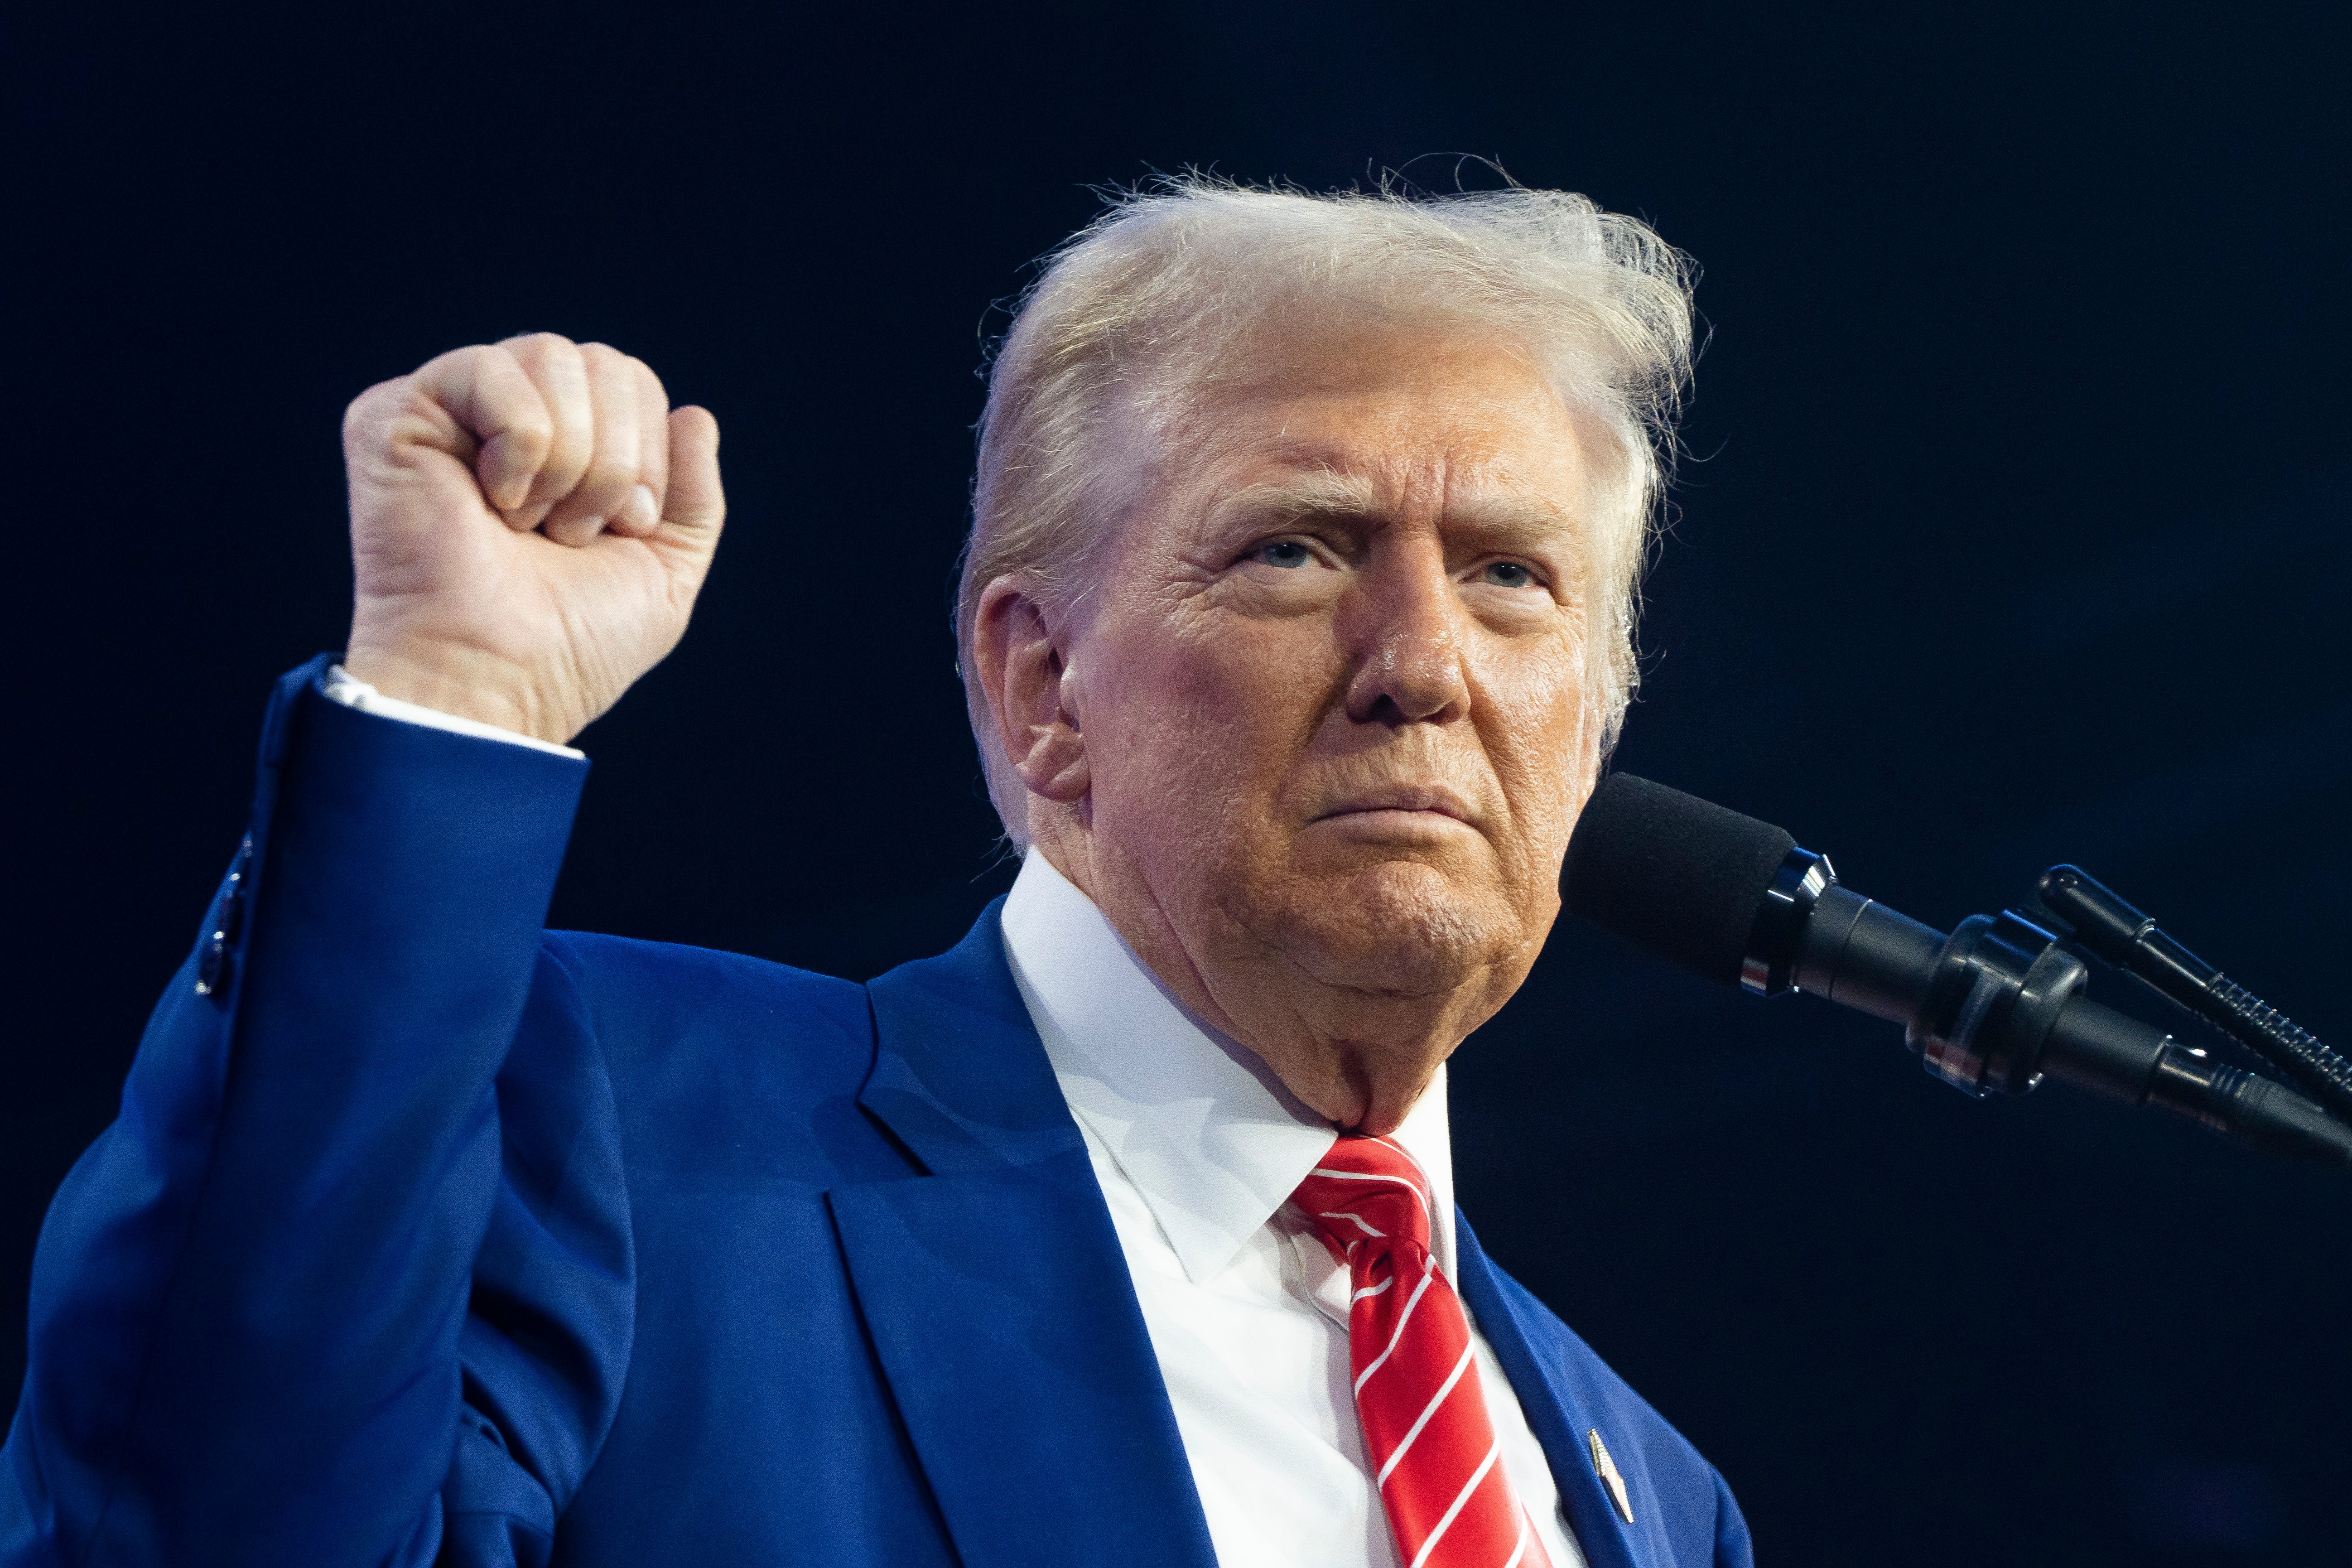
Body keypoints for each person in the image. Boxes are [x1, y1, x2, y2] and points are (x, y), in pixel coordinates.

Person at [0, 178, 1750, 1568]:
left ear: (1593, 720)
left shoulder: (1651, 1493)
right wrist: (447, 714)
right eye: (1296, 550)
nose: (1424, 664)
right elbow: (209, 1524)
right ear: (1041, 686)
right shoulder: (618, 1118)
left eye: (1515, 577)